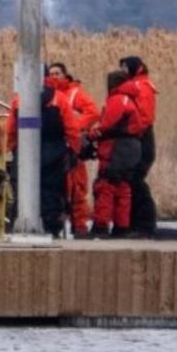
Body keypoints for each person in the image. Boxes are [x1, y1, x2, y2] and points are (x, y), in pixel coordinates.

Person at [6, 75, 80, 237]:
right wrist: (74, 149)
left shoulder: (19, 99)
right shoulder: (59, 98)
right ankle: (50, 227)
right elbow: (71, 127)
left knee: (22, 189)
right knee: (51, 191)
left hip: (25, 152)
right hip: (54, 153)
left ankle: (20, 224)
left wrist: (12, 147)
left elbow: (11, 128)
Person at [90, 71, 146, 237]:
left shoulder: (117, 99)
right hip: (132, 148)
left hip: (117, 148)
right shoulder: (130, 98)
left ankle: (101, 226)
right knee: (122, 187)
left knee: (105, 185)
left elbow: (107, 124)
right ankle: (122, 227)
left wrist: (92, 134)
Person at [48, 63, 100, 237]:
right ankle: (54, 225)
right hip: (55, 149)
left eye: (58, 73)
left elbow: (92, 113)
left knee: (77, 189)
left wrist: (72, 127)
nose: (54, 76)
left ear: (65, 75)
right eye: (51, 73)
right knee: (55, 189)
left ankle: (80, 227)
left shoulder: (75, 93)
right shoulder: (46, 95)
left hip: (72, 148)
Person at [119, 56, 158, 237]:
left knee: (135, 182)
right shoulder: (138, 85)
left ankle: (144, 225)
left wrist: (126, 131)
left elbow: (144, 118)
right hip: (137, 139)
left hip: (140, 140)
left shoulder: (140, 87)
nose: (123, 72)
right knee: (132, 182)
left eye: (125, 68)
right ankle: (137, 224)